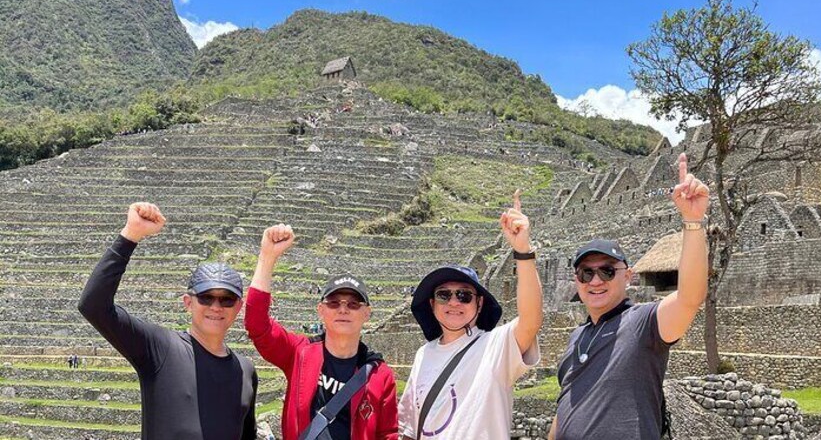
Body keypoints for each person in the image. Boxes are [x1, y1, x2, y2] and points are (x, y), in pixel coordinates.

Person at [550, 153, 709, 440]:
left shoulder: (643, 323)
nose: (596, 280)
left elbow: (690, 297)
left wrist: (693, 221)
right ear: (577, 281)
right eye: (586, 273)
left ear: (628, 275)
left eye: (608, 271)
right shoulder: (576, 337)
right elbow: (565, 406)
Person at [78, 202, 257, 440]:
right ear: (187, 302)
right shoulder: (161, 348)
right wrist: (131, 235)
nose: (216, 307)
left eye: (226, 300)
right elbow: (93, 305)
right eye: (206, 297)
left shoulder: (245, 370)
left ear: (238, 307)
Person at [398, 190, 543, 439]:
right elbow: (409, 430)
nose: (454, 302)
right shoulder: (424, 355)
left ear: (479, 303)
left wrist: (523, 251)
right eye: (444, 295)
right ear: (432, 304)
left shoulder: (496, 347)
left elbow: (531, 320)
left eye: (464, 295)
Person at [245, 223, 398, 440]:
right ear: (321, 310)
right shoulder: (299, 353)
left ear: (367, 313)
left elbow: (388, 434)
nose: (343, 309)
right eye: (334, 303)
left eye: (353, 304)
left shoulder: (380, 376)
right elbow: (257, 324)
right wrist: (267, 257)